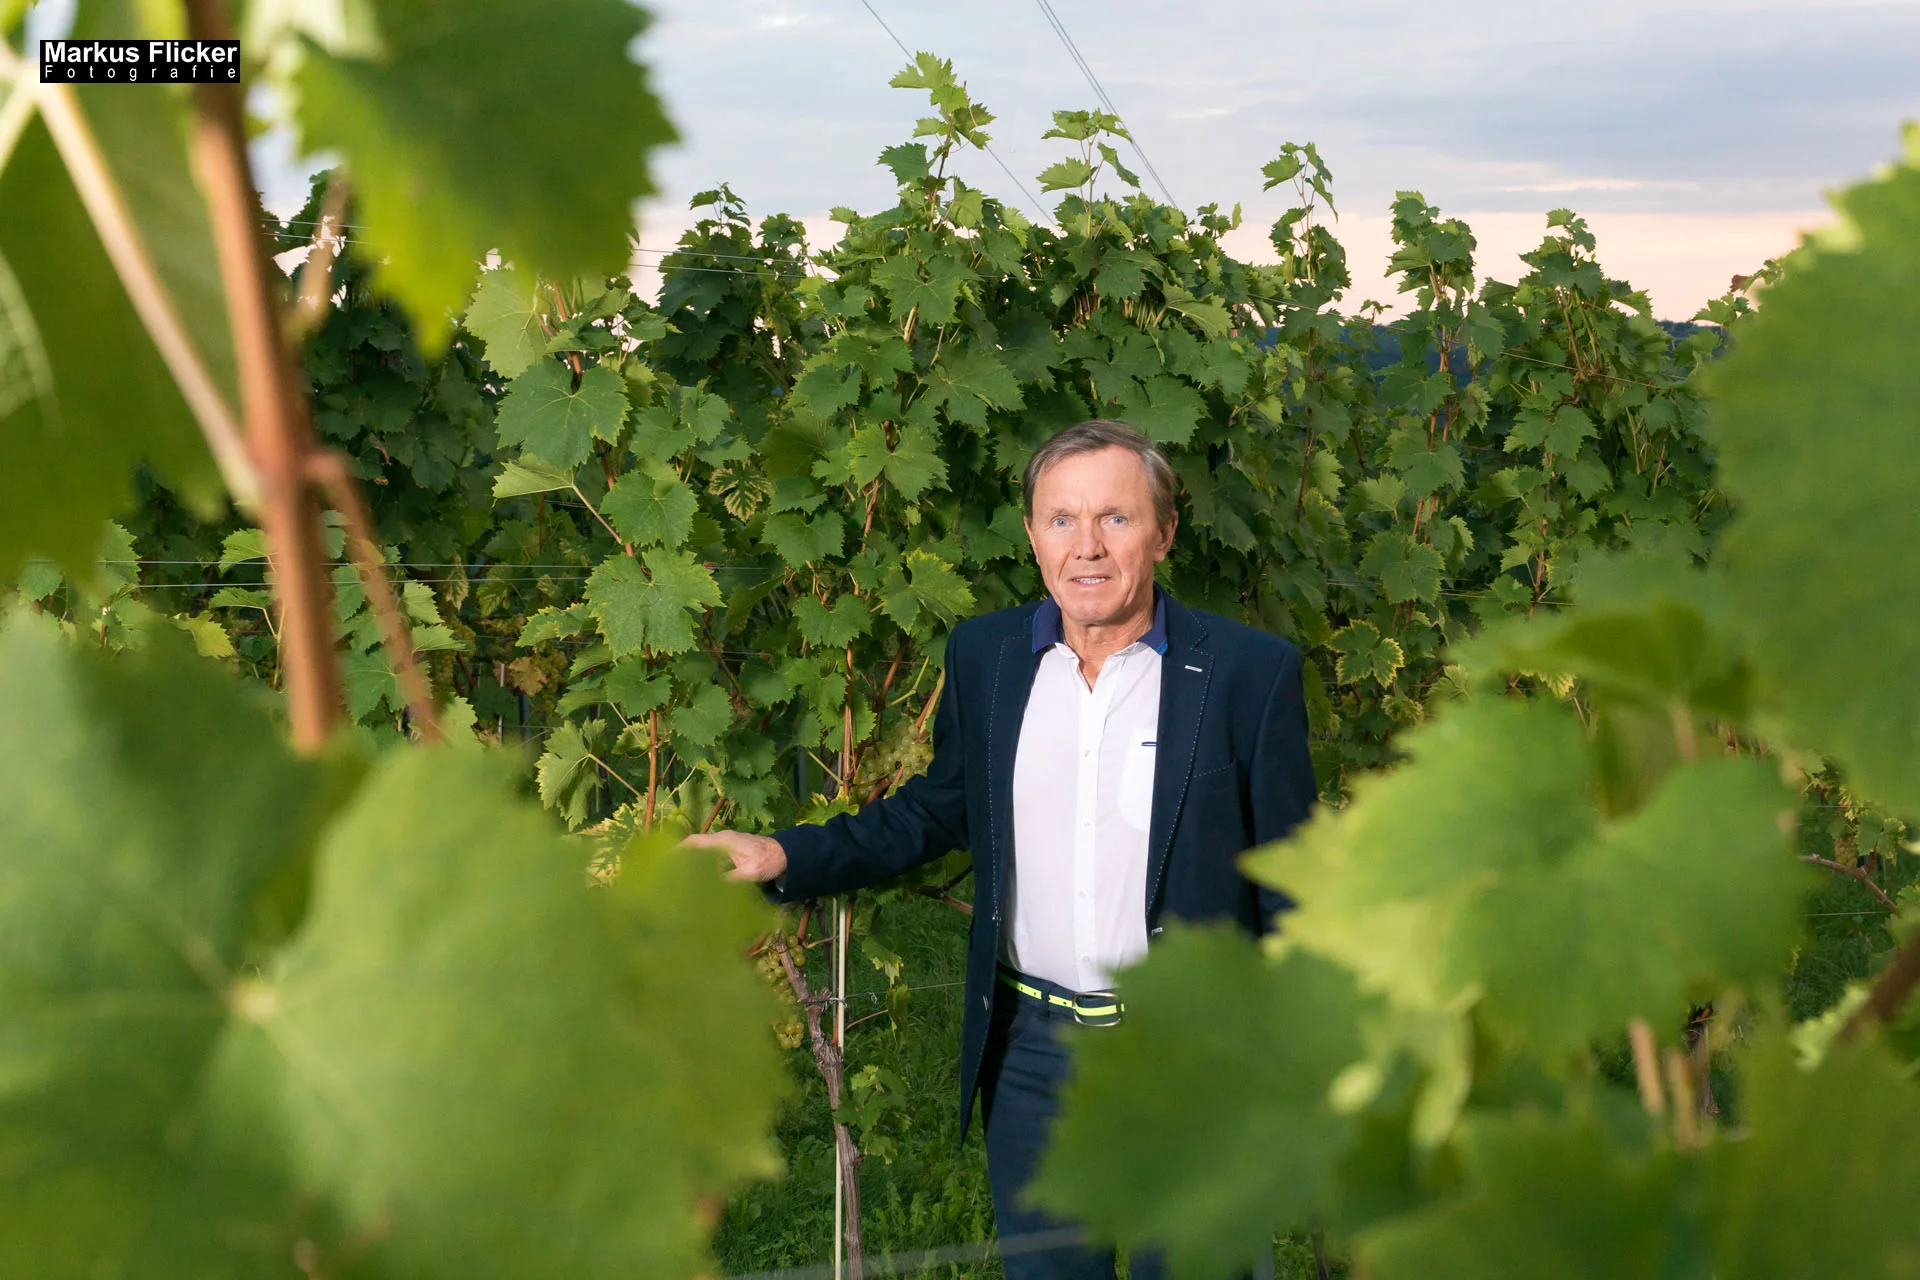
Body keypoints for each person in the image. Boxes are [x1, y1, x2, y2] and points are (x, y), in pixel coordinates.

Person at [686, 418, 1316, 1280]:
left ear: (1164, 533)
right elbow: (938, 810)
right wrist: (785, 857)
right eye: (1062, 520)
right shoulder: (988, 659)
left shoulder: (1250, 673)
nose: (1086, 547)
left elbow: (1294, 882)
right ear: (1031, 535)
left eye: (1116, 519)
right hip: (1034, 1055)